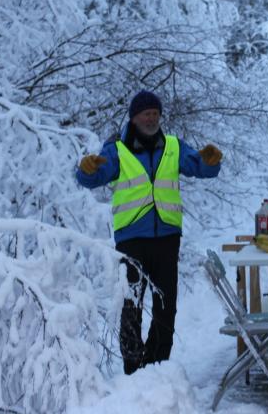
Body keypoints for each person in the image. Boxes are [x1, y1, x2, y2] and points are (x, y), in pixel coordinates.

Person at [75, 90, 223, 374]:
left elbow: (200, 166)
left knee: (166, 304)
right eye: (147, 114)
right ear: (134, 118)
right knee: (132, 304)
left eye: (156, 114)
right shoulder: (117, 149)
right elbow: (92, 178)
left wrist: (210, 161)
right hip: (132, 239)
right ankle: (133, 367)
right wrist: (86, 170)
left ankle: (157, 365)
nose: (152, 118)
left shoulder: (173, 146)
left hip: (167, 237)